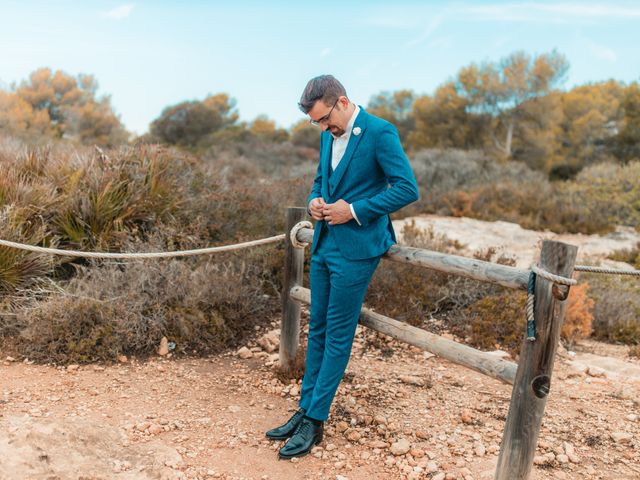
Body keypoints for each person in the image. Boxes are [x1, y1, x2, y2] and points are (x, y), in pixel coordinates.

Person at [266, 75, 419, 460]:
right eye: (316, 123)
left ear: (343, 102)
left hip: (359, 246)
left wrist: (352, 210)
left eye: (325, 120)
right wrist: (316, 201)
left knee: (336, 333)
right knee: (316, 327)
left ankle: (315, 421)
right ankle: (303, 409)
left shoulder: (381, 133)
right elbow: (321, 181)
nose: (322, 128)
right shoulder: (325, 136)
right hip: (325, 243)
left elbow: (406, 188)